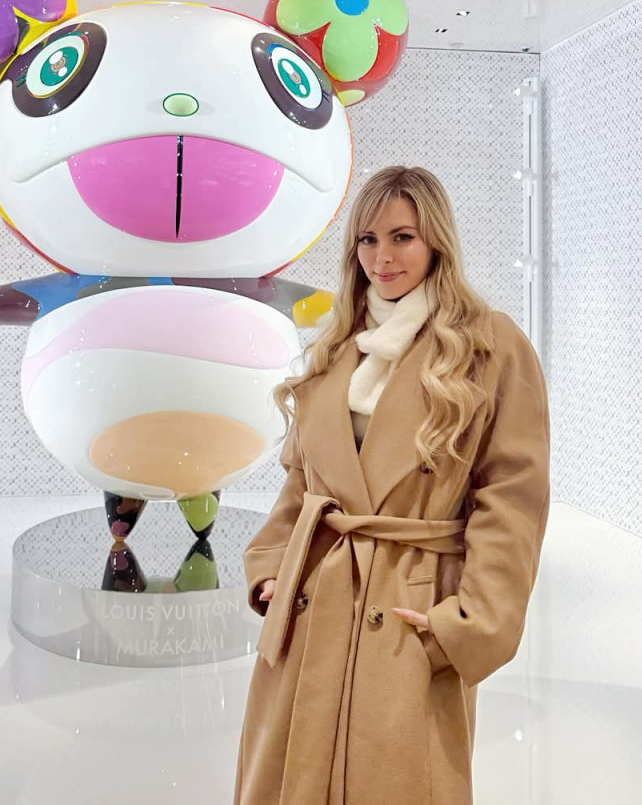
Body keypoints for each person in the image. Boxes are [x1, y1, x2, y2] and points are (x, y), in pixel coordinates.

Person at [233, 166, 551, 805]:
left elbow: (512, 496)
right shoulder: (339, 344)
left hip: (412, 603)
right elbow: (300, 484)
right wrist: (271, 567)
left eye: (402, 237)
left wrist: (467, 623)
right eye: (368, 239)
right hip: (314, 604)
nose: (383, 258)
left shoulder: (489, 345)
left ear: (436, 241)